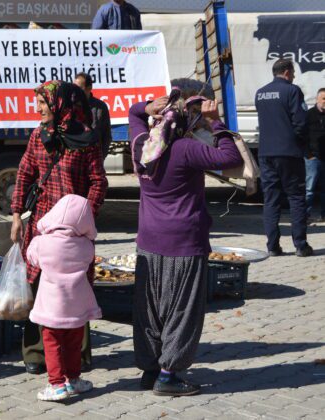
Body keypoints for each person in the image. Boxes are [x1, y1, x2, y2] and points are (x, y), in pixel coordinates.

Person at [129, 81, 243, 396]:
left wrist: (148, 105)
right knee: (182, 310)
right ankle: (169, 375)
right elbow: (230, 157)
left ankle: (150, 371)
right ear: (185, 121)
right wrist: (216, 121)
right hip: (184, 241)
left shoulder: (141, 147)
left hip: (148, 243)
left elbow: (133, 113)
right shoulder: (185, 149)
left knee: (150, 308)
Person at [11, 80, 108, 375]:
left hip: (74, 233)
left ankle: (77, 356)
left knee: (74, 288)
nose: (39, 108)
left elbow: (98, 182)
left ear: (60, 104)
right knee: (39, 286)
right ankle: (36, 353)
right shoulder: (38, 137)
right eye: (38, 103)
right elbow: (25, 172)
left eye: (43, 102)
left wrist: (85, 217)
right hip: (41, 228)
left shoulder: (86, 139)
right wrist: (16, 214)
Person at [26, 194, 102, 401]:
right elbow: (87, 262)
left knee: (52, 344)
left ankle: (57, 384)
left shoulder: (42, 242)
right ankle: (74, 379)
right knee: (73, 344)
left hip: (52, 305)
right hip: (77, 305)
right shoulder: (86, 245)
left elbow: (32, 258)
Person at [255, 59, 312, 257]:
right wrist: (301, 142)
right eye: (293, 72)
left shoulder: (260, 93)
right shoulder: (292, 90)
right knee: (296, 197)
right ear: (287, 72)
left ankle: (272, 246)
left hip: (265, 152)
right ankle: (301, 245)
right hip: (288, 152)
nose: (294, 76)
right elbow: (301, 122)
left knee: (271, 199)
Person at [75, 72, 113, 159]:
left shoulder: (100, 107)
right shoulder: (69, 106)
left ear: (89, 88)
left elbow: (106, 135)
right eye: (74, 87)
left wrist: (101, 158)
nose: (75, 90)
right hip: (75, 159)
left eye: (79, 88)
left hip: (94, 158)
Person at [305, 88, 325, 223]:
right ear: (317, 99)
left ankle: (324, 215)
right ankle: (305, 215)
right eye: (323, 98)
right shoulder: (309, 115)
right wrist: (308, 153)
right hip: (313, 157)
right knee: (309, 188)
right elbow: (301, 135)